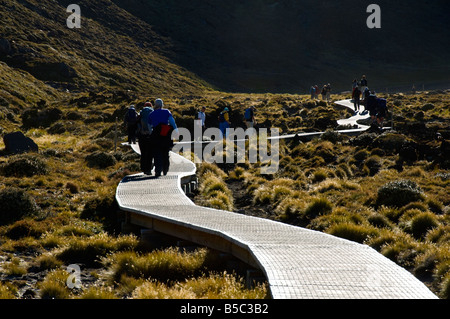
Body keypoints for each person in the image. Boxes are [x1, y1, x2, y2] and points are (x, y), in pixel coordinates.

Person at [148, 98, 178, 177]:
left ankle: (158, 171)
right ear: (162, 105)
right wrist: (176, 130)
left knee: (157, 153)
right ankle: (165, 169)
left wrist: (151, 134)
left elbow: (149, 126)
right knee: (165, 152)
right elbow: (172, 122)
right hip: (166, 134)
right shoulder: (166, 112)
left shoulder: (151, 114)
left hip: (156, 135)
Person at [137, 102, 154, 175]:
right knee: (150, 153)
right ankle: (148, 169)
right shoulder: (153, 113)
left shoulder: (140, 113)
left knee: (143, 153)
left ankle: (143, 168)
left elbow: (136, 124)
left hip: (141, 136)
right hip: (150, 136)